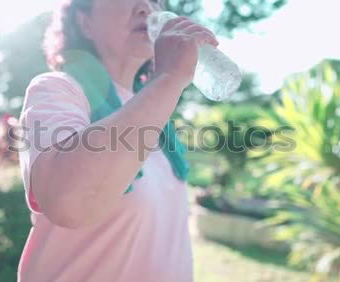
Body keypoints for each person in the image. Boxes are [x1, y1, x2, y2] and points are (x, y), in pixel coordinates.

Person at [17, 0, 219, 281]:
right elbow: (69, 201)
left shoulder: (154, 110)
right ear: (85, 23)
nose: (146, 7)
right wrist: (171, 77)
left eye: (155, 0)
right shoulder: (59, 90)